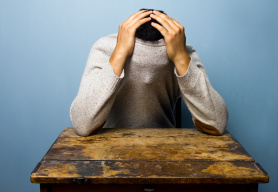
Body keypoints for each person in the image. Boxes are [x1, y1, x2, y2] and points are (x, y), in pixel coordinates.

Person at [70, 9, 228, 137]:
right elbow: (83, 124)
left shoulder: (183, 51)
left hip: (168, 150)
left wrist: (180, 58)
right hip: (107, 152)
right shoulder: (105, 48)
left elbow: (217, 123)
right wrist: (119, 53)